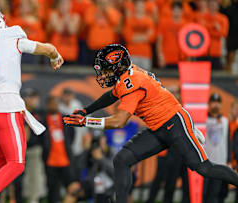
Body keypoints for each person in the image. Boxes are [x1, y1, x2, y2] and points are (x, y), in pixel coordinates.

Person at [62, 44, 238, 203]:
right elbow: (111, 96)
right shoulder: (126, 76)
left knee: (203, 168)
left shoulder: (131, 82)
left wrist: (86, 121)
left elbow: (118, 121)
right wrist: (86, 110)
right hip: (159, 128)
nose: (104, 74)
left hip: (174, 124)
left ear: (118, 67)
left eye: (107, 69)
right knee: (122, 159)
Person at [0, 6, 64, 203]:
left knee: (0, 159)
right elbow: (48, 48)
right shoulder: (11, 34)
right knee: (16, 163)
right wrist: (54, 57)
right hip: (5, 106)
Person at [204, 93, 231, 203]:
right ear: (209, 104)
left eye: (218, 102)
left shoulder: (225, 121)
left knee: (216, 194)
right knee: (204, 193)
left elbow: (228, 141)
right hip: (205, 163)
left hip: (220, 164)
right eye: (213, 102)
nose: (215, 105)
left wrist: (229, 160)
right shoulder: (203, 120)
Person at [123, 0, 155, 71]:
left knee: (145, 78)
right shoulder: (129, 20)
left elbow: (152, 38)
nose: (140, 7)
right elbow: (128, 37)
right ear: (135, 7)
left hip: (145, 54)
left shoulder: (149, 21)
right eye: (138, 5)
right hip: (133, 53)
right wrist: (145, 36)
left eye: (142, 6)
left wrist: (135, 37)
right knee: (133, 78)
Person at [156, 2, 187, 69]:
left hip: (181, 59)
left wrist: (188, 59)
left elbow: (188, 44)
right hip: (166, 59)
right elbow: (159, 41)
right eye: (175, 9)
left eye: (178, 10)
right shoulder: (164, 23)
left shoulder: (186, 25)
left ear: (182, 11)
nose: (177, 12)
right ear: (171, 11)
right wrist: (160, 56)